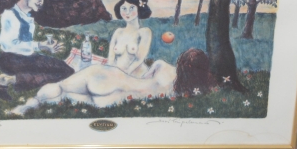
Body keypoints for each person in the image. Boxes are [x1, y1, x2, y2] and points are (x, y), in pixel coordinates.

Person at [12, 48, 214, 115]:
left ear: (180, 61)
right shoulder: (181, 92)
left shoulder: (163, 66)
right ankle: (33, 106)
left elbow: (140, 77)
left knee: (60, 88)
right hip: (116, 100)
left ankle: (27, 105)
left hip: (110, 78)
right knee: (66, 97)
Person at [0, 0, 74, 101]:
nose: (41, 2)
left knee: (65, 69)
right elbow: (8, 45)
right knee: (58, 72)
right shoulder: (10, 15)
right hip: (10, 59)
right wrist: (40, 45)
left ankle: (8, 80)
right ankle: (10, 79)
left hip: (27, 57)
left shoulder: (27, 17)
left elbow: (27, 44)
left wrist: (44, 47)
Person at [106, 0, 153, 77]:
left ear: (139, 9)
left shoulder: (144, 32)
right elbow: (111, 58)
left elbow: (139, 59)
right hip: (118, 75)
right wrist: (111, 73)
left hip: (137, 77)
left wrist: (125, 74)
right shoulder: (118, 32)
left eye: (132, 8)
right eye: (124, 8)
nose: (127, 12)